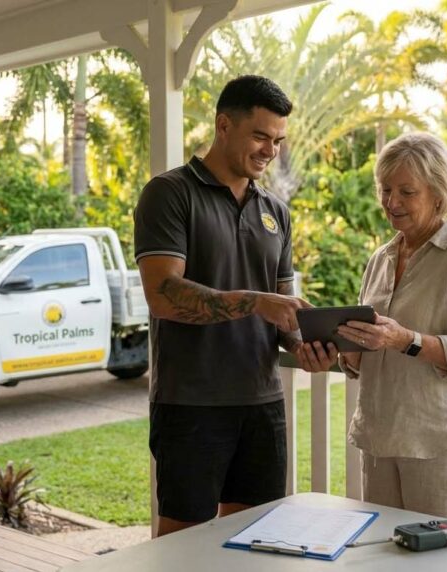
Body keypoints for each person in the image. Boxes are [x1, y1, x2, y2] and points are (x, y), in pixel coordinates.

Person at [134, 75, 336, 536]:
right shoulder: (170, 194)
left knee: (258, 538)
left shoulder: (276, 211)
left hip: (263, 403)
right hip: (191, 405)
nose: (271, 150)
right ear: (224, 125)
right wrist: (255, 303)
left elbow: (282, 311)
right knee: (183, 549)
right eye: (260, 136)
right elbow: (162, 295)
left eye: (279, 140)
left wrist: (308, 343)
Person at [335, 132, 447, 524]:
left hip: (444, 444)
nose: (391, 202)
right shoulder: (381, 258)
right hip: (380, 440)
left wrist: (404, 340)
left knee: (445, 564)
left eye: (406, 191)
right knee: (383, 560)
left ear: (439, 195)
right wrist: (342, 344)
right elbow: (364, 358)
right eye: (386, 189)